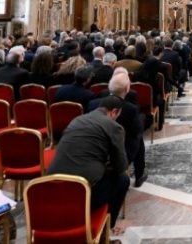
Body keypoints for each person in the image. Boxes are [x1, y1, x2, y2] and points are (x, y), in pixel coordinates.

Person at [47, 95, 130, 233]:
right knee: (123, 180)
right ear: (114, 112)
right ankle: (106, 230)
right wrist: (105, 167)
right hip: (80, 194)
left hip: (51, 189)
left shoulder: (77, 119)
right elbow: (121, 166)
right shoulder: (114, 126)